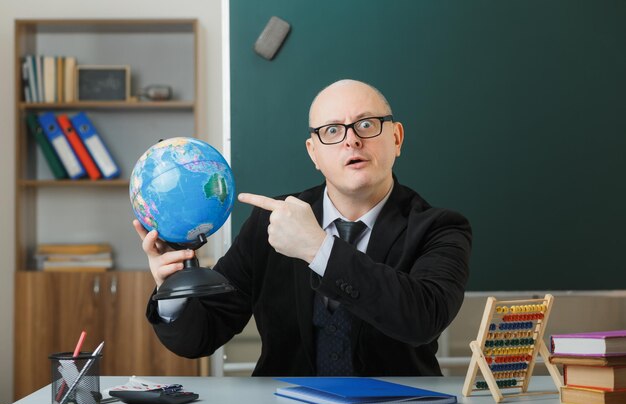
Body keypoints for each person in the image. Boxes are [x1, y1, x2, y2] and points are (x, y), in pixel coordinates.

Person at [134, 79, 472, 376]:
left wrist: (319, 249)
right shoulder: (271, 221)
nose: (352, 141)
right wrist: (173, 290)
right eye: (333, 130)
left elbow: (424, 319)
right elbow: (202, 336)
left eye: (366, 124)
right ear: (314, 152)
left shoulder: (440, 228)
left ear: (396, 138)